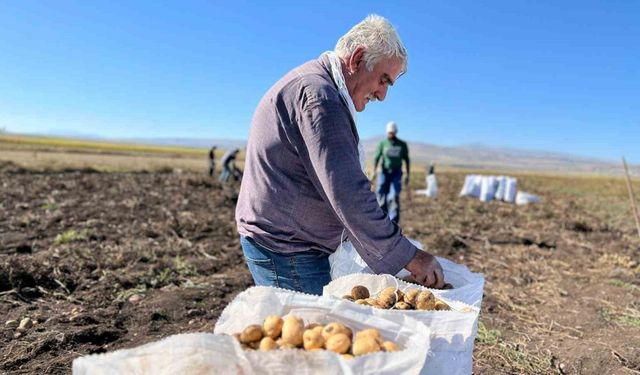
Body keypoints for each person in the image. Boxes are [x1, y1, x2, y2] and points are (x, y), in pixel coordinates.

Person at [236, 15, 444, 295]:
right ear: (357, 59)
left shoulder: (319, 87)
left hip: (291, 243)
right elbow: (348, 193)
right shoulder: (319, 98)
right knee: (310, 334)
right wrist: (410, 256)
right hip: (287, 250)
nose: (382, 95)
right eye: (383, 80)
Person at [373, 121, 410, 224]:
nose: (391, 135)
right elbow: (377, 157)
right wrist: (374, 171)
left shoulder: (402, 145)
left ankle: (393, 222)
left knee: (393, 196)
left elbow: (406, 159)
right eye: (389, 133)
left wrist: (407, 174)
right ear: (387, 133)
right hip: (384, 172)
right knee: (381, 193)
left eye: (393, 133)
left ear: (396, 132)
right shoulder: (382, 144)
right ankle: (382, 220)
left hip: (396, 173)